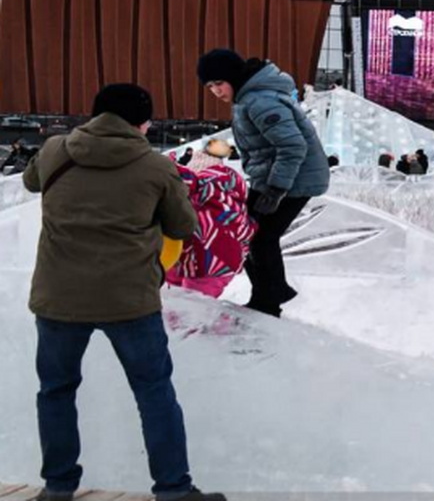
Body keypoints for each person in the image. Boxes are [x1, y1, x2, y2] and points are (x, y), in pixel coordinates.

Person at [22, 83, 224, 501]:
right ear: (143, 123)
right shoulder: (155, 167)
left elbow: (30, 182)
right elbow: (182, 227)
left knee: (56, 391)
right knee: (154, 393)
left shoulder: (56, 150)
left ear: (95, 114)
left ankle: (57, 488)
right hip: (129, 300)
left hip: (59, 298)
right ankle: (173, 490)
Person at [197, 49, 330, 318]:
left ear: (234, 78)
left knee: (259, 237)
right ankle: (273, 291)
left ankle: (267, 302)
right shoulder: (250, 99)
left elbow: (292, 146)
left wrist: (276, 190)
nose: (216, 91)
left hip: (294, 179)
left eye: (219, 83)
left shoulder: (259, 101)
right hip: (276, 176)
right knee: (249, 234)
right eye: (209, 86)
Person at [168, 138, 256, 299]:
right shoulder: (230, 198)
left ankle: (218, 324)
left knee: (192, 306)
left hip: (208, 262)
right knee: (186, 302)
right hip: (220, 260)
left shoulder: (202, 191)